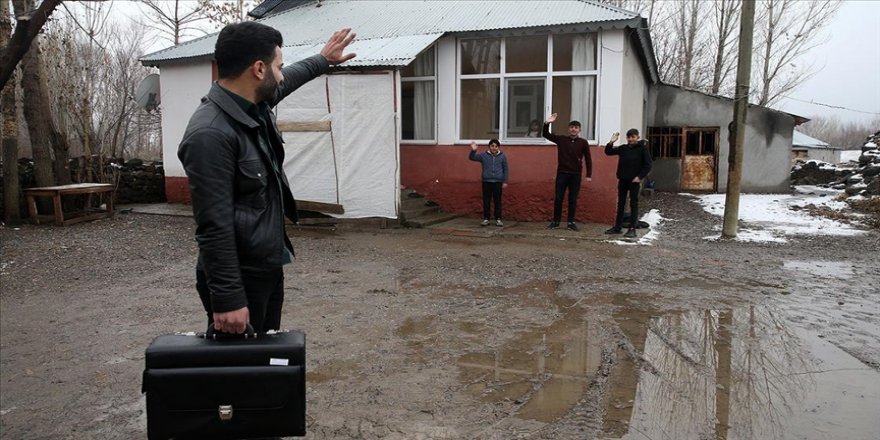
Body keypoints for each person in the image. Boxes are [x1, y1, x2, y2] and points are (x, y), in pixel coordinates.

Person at [177, 22, 356, 334]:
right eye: (279, 66)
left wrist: (323, 59)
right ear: (259, 69)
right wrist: (228, 298)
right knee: (238, 370)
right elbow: (213, 225)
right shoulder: (210, 134)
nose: (282, 74)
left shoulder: (251, 106)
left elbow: (285, 84)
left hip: (265, 266)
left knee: (263, 361)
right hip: (241, 277)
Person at [542, 113, 592, 231]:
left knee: (572, 199)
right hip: (562, 173)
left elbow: (588, 158)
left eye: (576, 127)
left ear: (579, 130)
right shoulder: (562, 139)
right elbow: (545, 134)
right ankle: (556, 222)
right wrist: (547, 123)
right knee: (559, 198)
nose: (573, 129)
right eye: (571, 127)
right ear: (568, 129)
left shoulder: (583, 142)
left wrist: (589, 174)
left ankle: (571, 222)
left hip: (575, 174)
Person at [604, 128, 653, 238]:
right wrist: (612, 141)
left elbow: (648, 165)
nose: (630, 139)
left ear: (637, 137)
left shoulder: (642, 149)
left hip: (634, 181)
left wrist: (639, 177)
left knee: (633, 204)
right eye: (628, 137)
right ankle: (617, 227)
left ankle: (632, 228)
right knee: (621, 203)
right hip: (623, 179)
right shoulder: (623, 148)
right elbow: (608, 152)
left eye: (633, 137)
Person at [469, 139, 509, 226]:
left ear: (498, 147)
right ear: (489, 146)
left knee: (497, 201)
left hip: (498, 182)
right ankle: (486, 218)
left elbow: (505, 169)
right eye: (492, 146)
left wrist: (505, 181)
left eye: (496, 146)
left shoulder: (502, 156)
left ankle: (498, 219)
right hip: (486, 182)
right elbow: (472, 158)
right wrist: (473, 150)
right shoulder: (484, 156)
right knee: (486, 201)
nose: (494, 148)